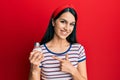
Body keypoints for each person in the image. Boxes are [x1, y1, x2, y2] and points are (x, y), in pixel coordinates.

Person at [29, 4, 87, 80]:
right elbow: (34, 75)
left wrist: (72, 70)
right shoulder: (40, 51)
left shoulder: (78, 49)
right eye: (63, 22)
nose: (67, 28)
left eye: (71, 24)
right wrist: (34, 70)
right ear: (53, 22)